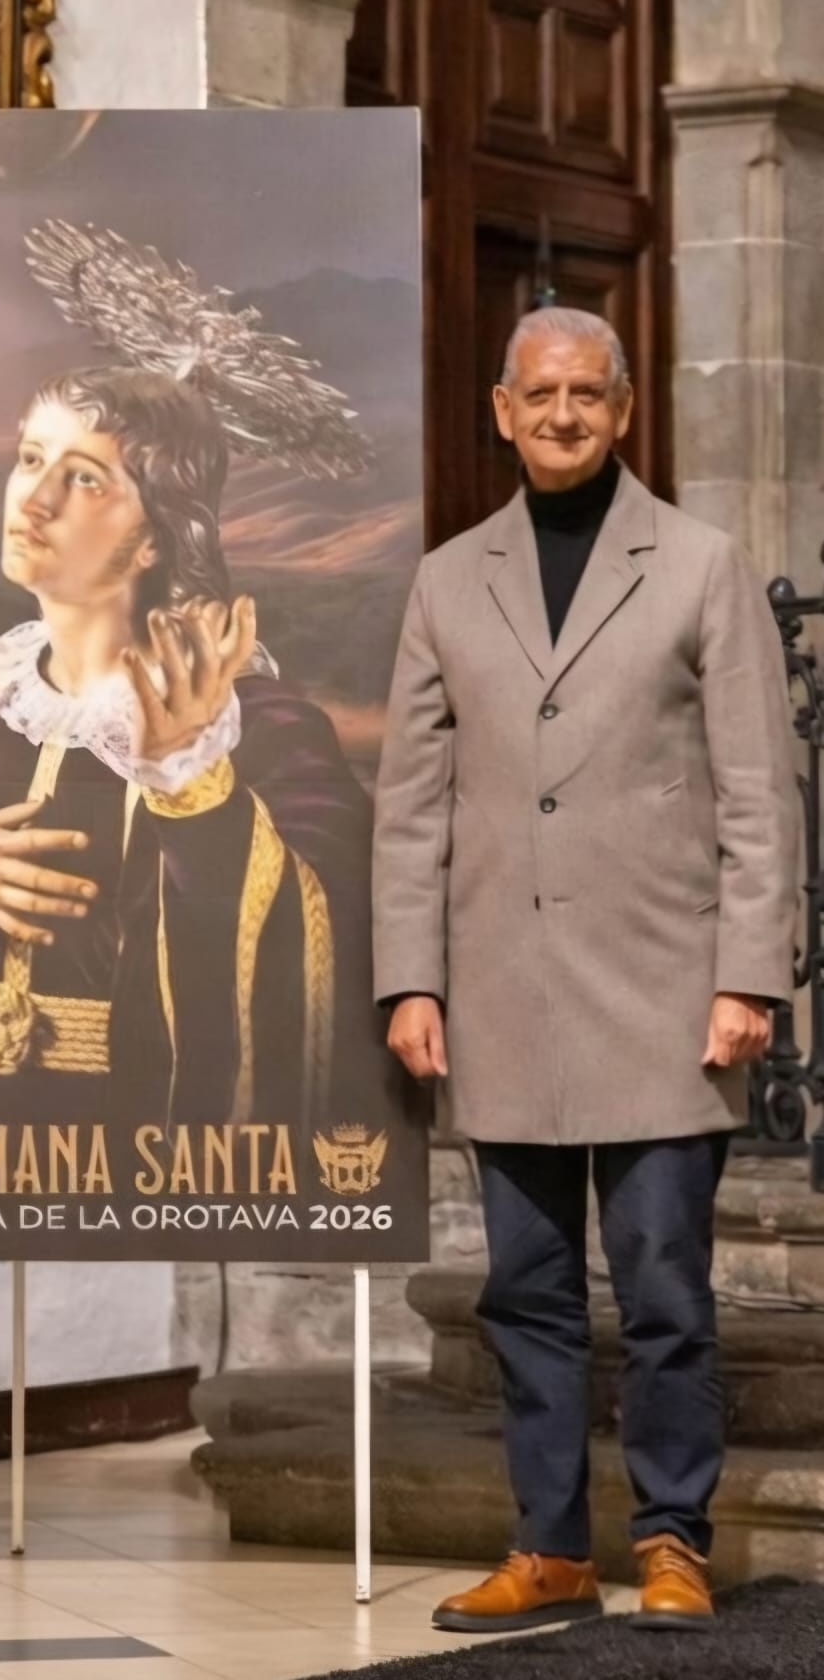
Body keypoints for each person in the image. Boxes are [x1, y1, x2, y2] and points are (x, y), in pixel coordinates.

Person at [373, 307, 797, 1634]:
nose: (563, 415)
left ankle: (673, 1539)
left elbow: (758, 793)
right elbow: (412, 804)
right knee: (527, 1292)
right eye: (539, 394)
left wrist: (751, 977)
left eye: (588, 396)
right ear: (502, 410)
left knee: (666, 1293)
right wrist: (411, 980)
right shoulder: (448, 578)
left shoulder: (701, 565)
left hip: (669, 998)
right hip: (501, 993)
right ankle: (550, 1546)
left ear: (624, 414)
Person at [0, 363, 381, 1150]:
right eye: (29, 459)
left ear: (156, 532)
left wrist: (195, 793)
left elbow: (323, 941)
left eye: (83, 479)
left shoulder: (255, 724)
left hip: (137, 1148)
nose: (35, 498)